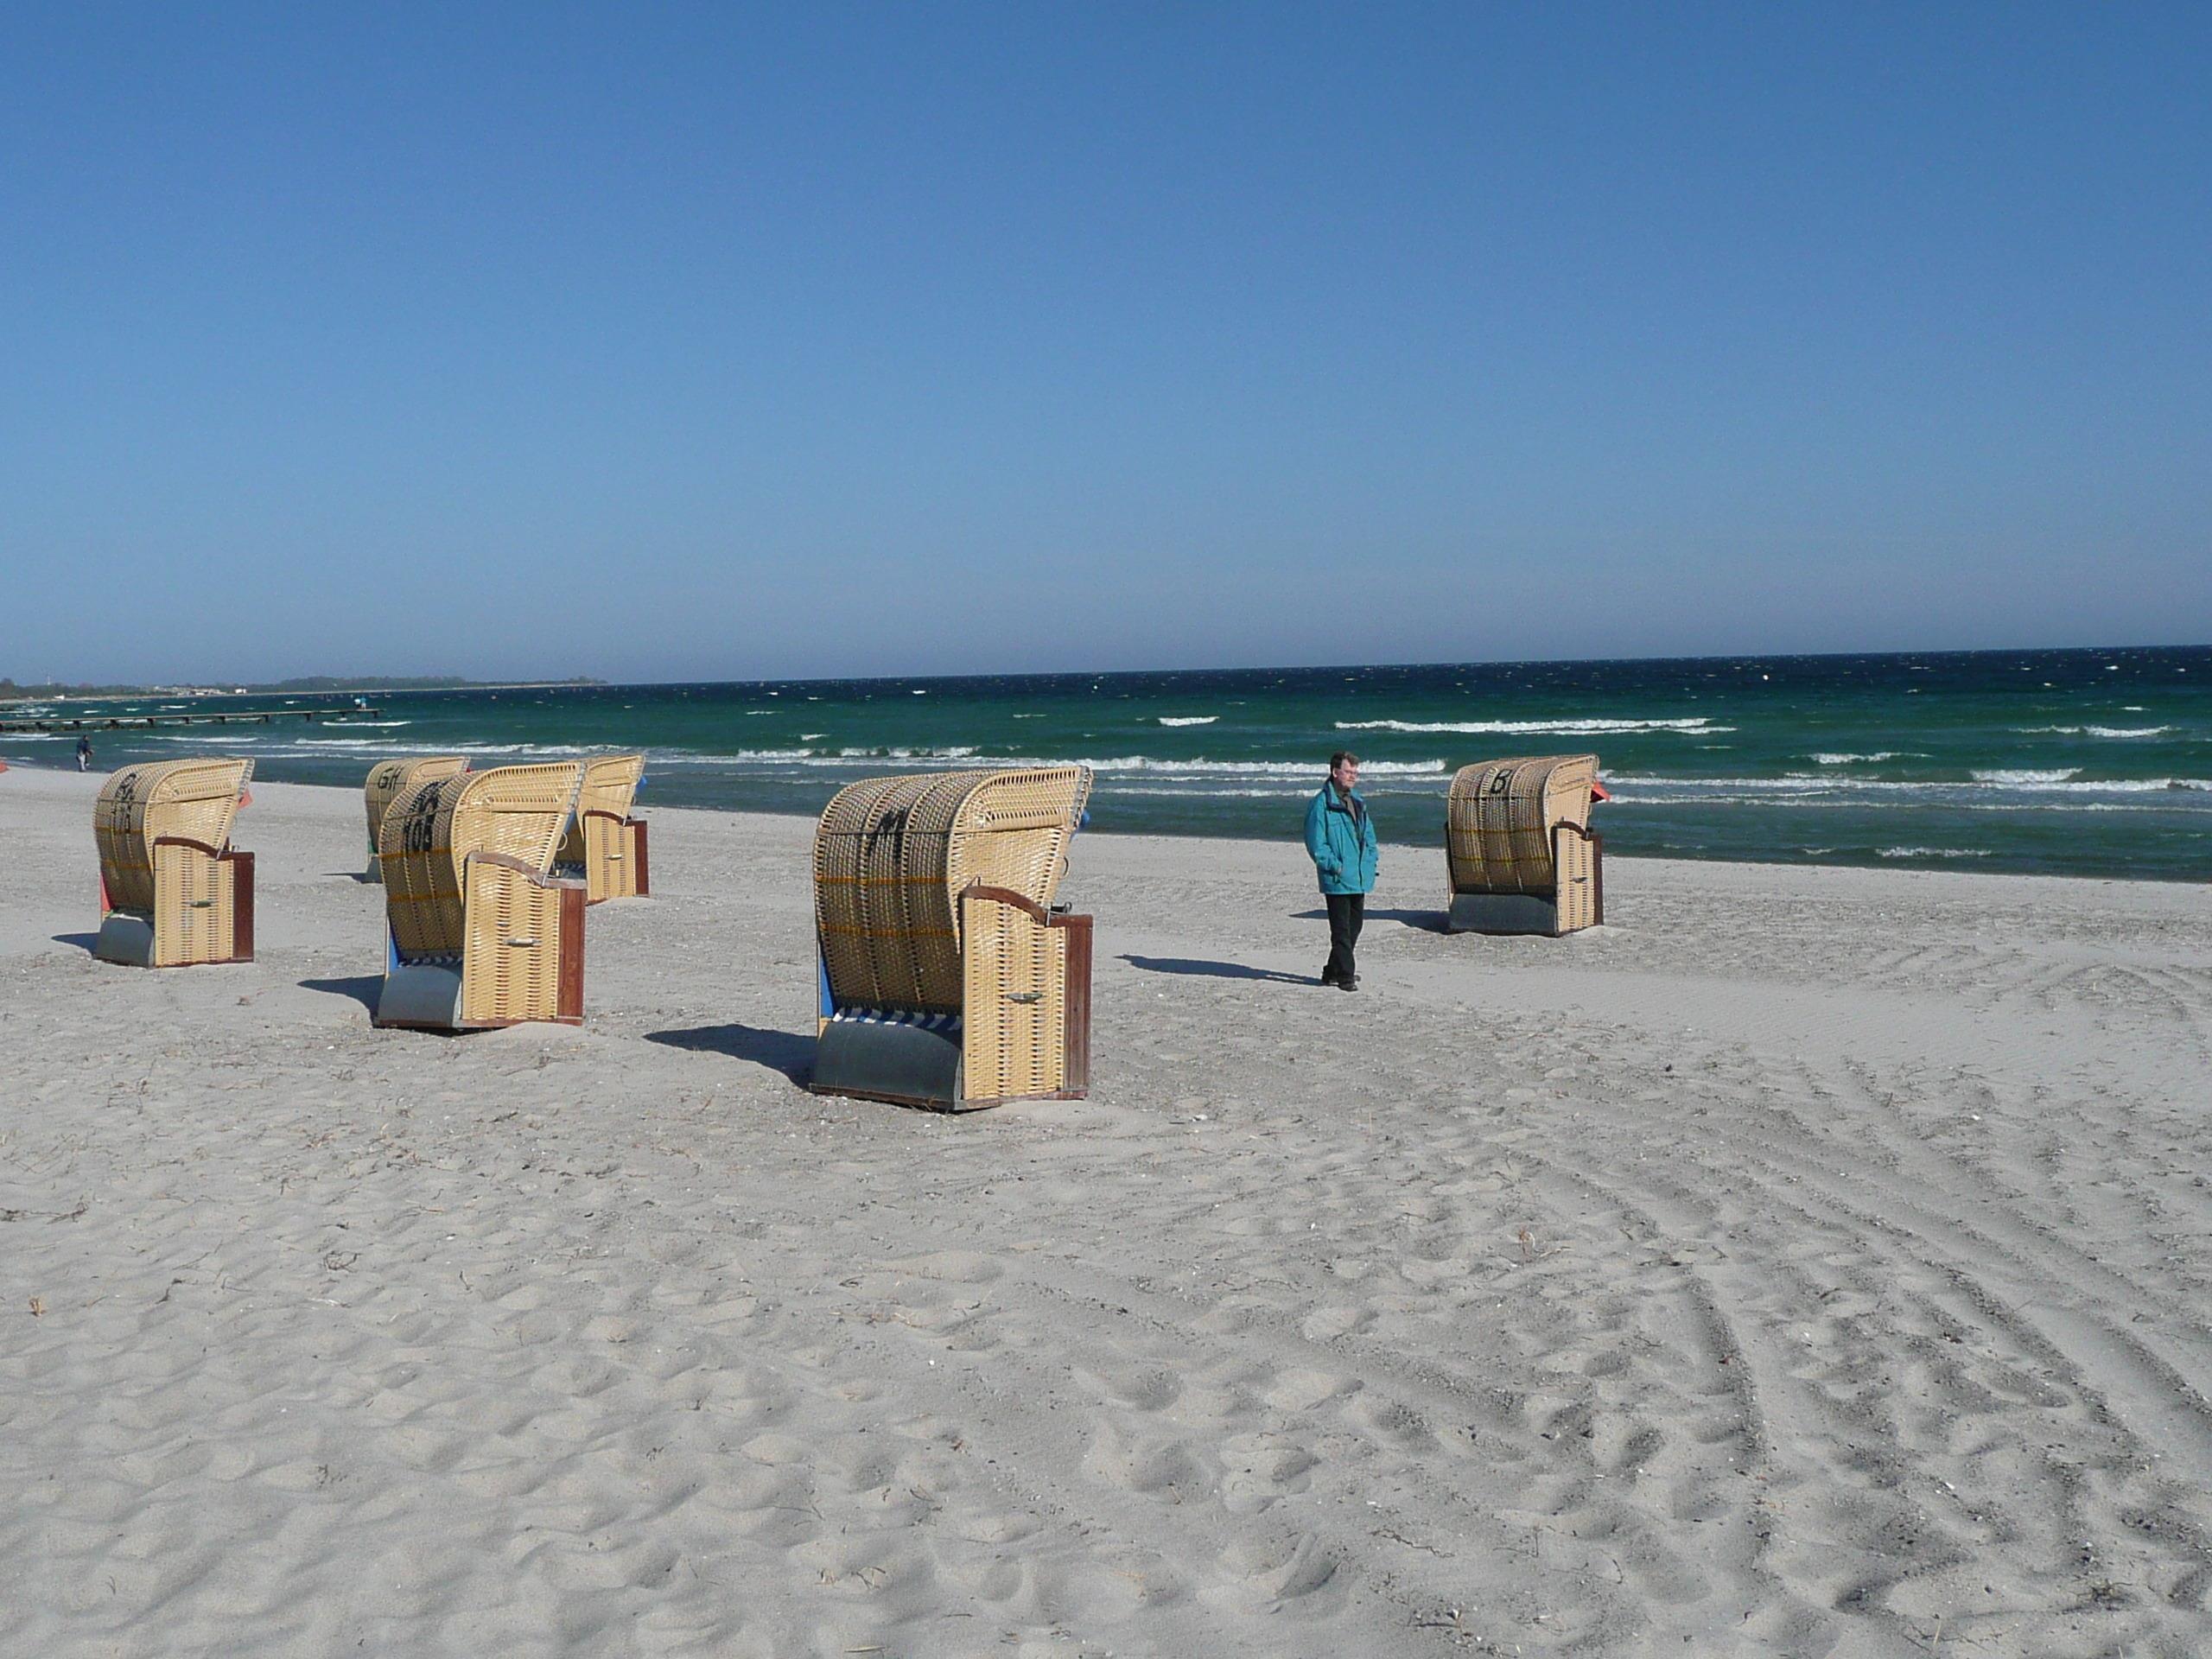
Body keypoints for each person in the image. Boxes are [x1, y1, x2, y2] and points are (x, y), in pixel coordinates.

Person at [1303, 750, 1378, 990]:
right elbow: (1316, 844)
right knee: (1341, 931)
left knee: (1355, 927)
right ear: (1336, 772)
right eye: (1348, 772)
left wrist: (1371, 859)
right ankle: (1346, 976)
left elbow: (1369, 835)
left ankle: (1331, 971)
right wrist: (1335, 866)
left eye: (1355, 772)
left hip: (1358, 875)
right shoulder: (1321, 804)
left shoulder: (1358, 801)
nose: (1353, 776)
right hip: (1337, 877)